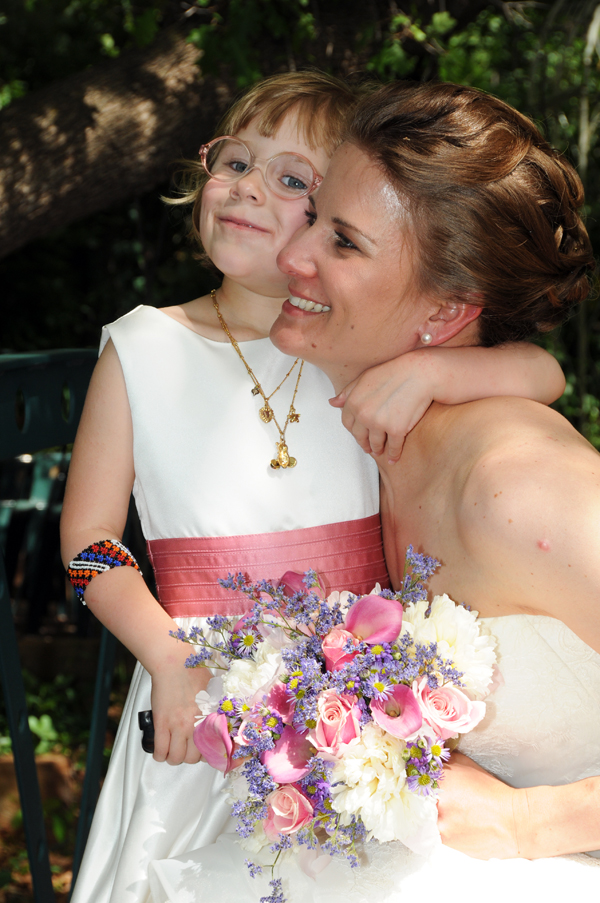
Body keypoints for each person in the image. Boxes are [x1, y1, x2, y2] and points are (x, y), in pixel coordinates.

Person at [61, 72, 567, 903]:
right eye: (235, 161)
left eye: (292, 179)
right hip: (201, 696)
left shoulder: (359, 349)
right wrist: (165, 654)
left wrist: (433, 369)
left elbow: (540, 369)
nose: (248, 187)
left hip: (355, 702)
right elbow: (86, 545)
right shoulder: (142, 346)